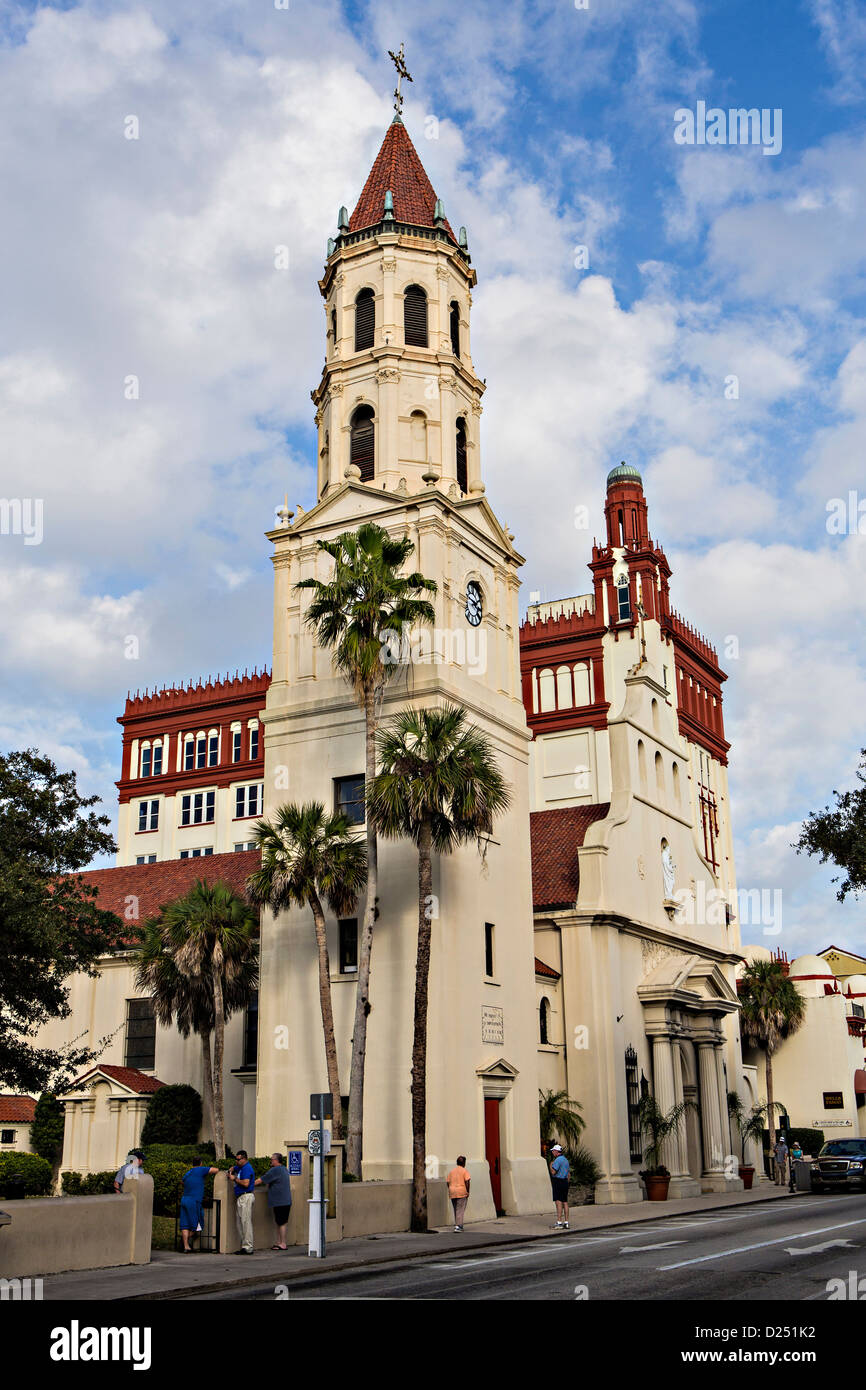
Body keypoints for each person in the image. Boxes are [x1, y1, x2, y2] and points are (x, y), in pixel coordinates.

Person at [179, 1157, 219, 1252]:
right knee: (197, 1225)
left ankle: (186, 1246)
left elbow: (182, 1181)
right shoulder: (201, 1169)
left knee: (185, 1225)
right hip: (194, 1201)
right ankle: (185, 1241)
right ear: (200, 1163)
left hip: (184, 1199)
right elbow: (216, 1170)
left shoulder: (188, 1173)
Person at [254, 1152, 293, 1250]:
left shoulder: (275, 1170)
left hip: (280, 1201)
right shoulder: (284, 1169)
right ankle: (279, 1242)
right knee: (280, 1222)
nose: (270, 1161)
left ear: (276, 1160)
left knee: (282, 1222)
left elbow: (260, 1180)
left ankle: (283, 1243)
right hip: (285, 1201)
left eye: (272, 1159)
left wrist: (247, 1184)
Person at [229, 1149, 256, 1254]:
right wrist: (232, 1168)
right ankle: (244, 1246)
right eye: (236, 1159)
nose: (237, 1161)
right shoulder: (241, 1167)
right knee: (240, 1223)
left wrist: (234, 1178)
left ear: (244, 1159)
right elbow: (234, 1167)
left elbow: (245, 1183)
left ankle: (248, 1247)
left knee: (246, 1222)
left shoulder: (246, 1168)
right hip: (241, 1197)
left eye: (238, 1159)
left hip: (246, 1196)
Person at [446, 1156, 471, 1231]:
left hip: (452, 1191)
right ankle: (458, 1226)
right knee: (460, 1209)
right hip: (461, 1191)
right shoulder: (464, 1171)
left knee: (455, 1208)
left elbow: (447, 1182)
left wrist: (451, 1188)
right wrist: (467, 1191)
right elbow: (467, 1182)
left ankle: (458, 1224)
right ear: (464, 1163)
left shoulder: (452, 1171)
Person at [549, 1144, 571, 1228]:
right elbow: (568, 1174)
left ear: (556, 1151)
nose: (552, 1152)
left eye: (553, 1151)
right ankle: (566, 1222)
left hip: (558, 1181)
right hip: (565, 1182)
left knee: (558, 1202)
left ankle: (559, 1222)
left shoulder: (557, 1160)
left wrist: (551, 1165)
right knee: (565, 1202)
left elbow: (553, 1172)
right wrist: (567, 1183)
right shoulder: (566, 1160)